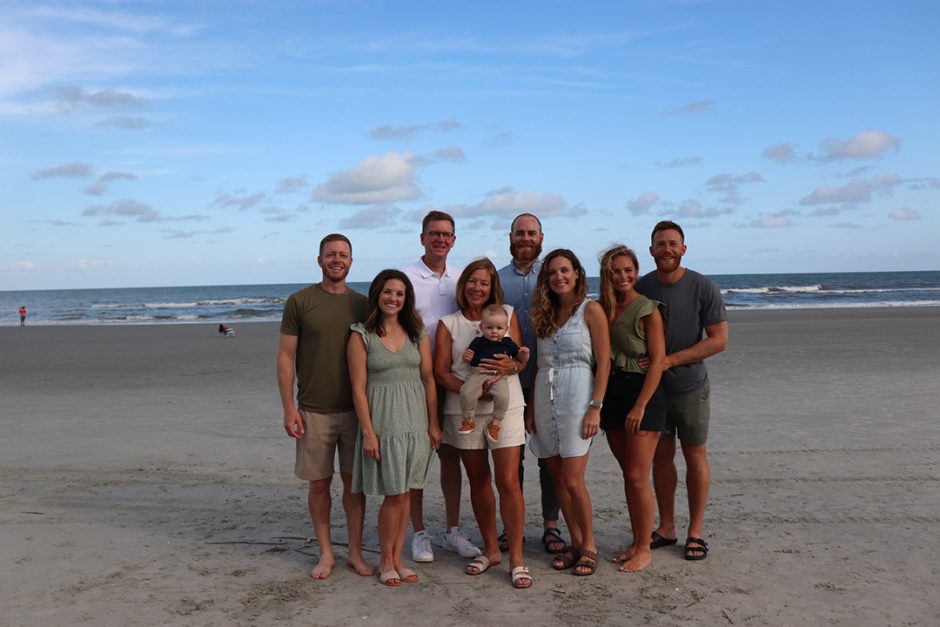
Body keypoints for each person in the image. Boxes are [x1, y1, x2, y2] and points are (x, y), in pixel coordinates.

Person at [276, 233, 374, 580]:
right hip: (312, 411)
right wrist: (289, 408)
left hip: (355, 411)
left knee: (354, 486)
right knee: (318, 485)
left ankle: (356, 553)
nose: (337, 260)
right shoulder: (300, 301)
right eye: (330, 254)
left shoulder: (363, 305)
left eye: (343, 255)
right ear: (319, 260)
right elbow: (286, 357)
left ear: (351, 261)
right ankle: (326, 553)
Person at [434, 258, 532, 588]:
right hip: (464, 409)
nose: (478, 288)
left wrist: (510, 370)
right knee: (478, 479)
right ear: (464, 286)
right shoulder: (449, 323)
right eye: (473, 281)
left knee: (508, 481)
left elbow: (518, 359)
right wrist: (474, 393)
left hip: (506, 406)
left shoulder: (505, 313)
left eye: (485, 283)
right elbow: (441, 372)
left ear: (493, 288)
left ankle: (516, 558)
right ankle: (491, 550)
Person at [635, 221, 728, 561]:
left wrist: (669, 361)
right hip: (652, 391)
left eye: (673, 243)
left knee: (694, 456)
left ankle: (696, 531)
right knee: (661, 458)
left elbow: (719, 341)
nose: (667, 249)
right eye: (660, 244)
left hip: (691, 388)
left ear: (683, 249)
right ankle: (667, 527)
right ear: (651, 251)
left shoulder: (703, 286)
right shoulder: (642, 287)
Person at [347, 270, 442, 587]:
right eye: (388, 292)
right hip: (384, 424)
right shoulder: (362, 335)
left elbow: (428, 379)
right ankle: (385, 561)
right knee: (394, 495)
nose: (393, 298)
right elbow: (358, 389)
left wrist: (433, 423)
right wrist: (369, 433)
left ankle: (398, 557)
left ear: (406, 298)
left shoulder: (417, 334)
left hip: (415, 423)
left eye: (400, 293)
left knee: (406, 495)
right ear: (377, 294)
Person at [401, 210, 480, 562]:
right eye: (434, 233)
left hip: (453, 378)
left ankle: (452, 530)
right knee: (417, 459)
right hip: (414, 380)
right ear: (422, 238)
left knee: (451, 457)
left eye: (447, 234)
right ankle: (419, 533)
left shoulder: (462, 279)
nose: (440, 239)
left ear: (454, 239)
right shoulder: (405, 277)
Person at [527, 249, 611, 576]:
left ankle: (589, 544)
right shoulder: (544, 314)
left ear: (577, 273)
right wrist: (532, 411)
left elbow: (604, 363)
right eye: (552, 272)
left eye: (565, 270)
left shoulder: (591, 310)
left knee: (574, 480)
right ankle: (574, 542)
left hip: (579, 397)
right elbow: (538, 363)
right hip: (544, 396)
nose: (559, 277)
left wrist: (596, 408)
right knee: (557, 476)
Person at [498, 213, 566, 555]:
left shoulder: (555, 276)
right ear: (509, 236)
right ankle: (514, 526)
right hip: (508, 381)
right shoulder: (497, 280)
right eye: (519, 233)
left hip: (549, 381)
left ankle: (551, 526)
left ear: (541, 237)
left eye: (531, 233)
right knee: (511, 458)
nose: (525, 238)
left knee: (548, 455)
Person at [597, 245, 667, 573]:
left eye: (628, 270)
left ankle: (644, 548)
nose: (622, 276)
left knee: (638, 476)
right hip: (613, 393)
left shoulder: (648, 309)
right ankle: (637, 540)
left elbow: (657, 362)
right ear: (607, 275)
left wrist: (640, 405)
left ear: (636, 272)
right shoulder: (603, 309)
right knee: (629, 475)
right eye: (615, 271)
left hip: (643, 394)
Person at [458, 304, 529, 441]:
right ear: (481, 327)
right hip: (478, 372)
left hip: (498, 375)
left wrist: (524, 355)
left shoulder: (508, 343)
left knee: (503, 397)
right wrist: (468, 356)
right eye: (489, 328)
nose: (494, 331)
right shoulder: (478, 341)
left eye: (499, 328)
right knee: (466, 392)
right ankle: (468, 420)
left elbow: (519, 359)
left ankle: (495, 423)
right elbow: (469, 356)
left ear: (506, 329)